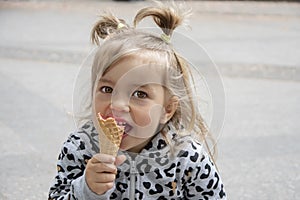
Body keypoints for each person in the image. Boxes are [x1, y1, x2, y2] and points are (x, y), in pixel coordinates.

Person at [48, 2, 226, 200]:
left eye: (140, 94)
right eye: (107, 89)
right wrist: (86, 190)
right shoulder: (80, 148)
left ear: (167, 109)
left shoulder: (186, 157)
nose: (117, 105)